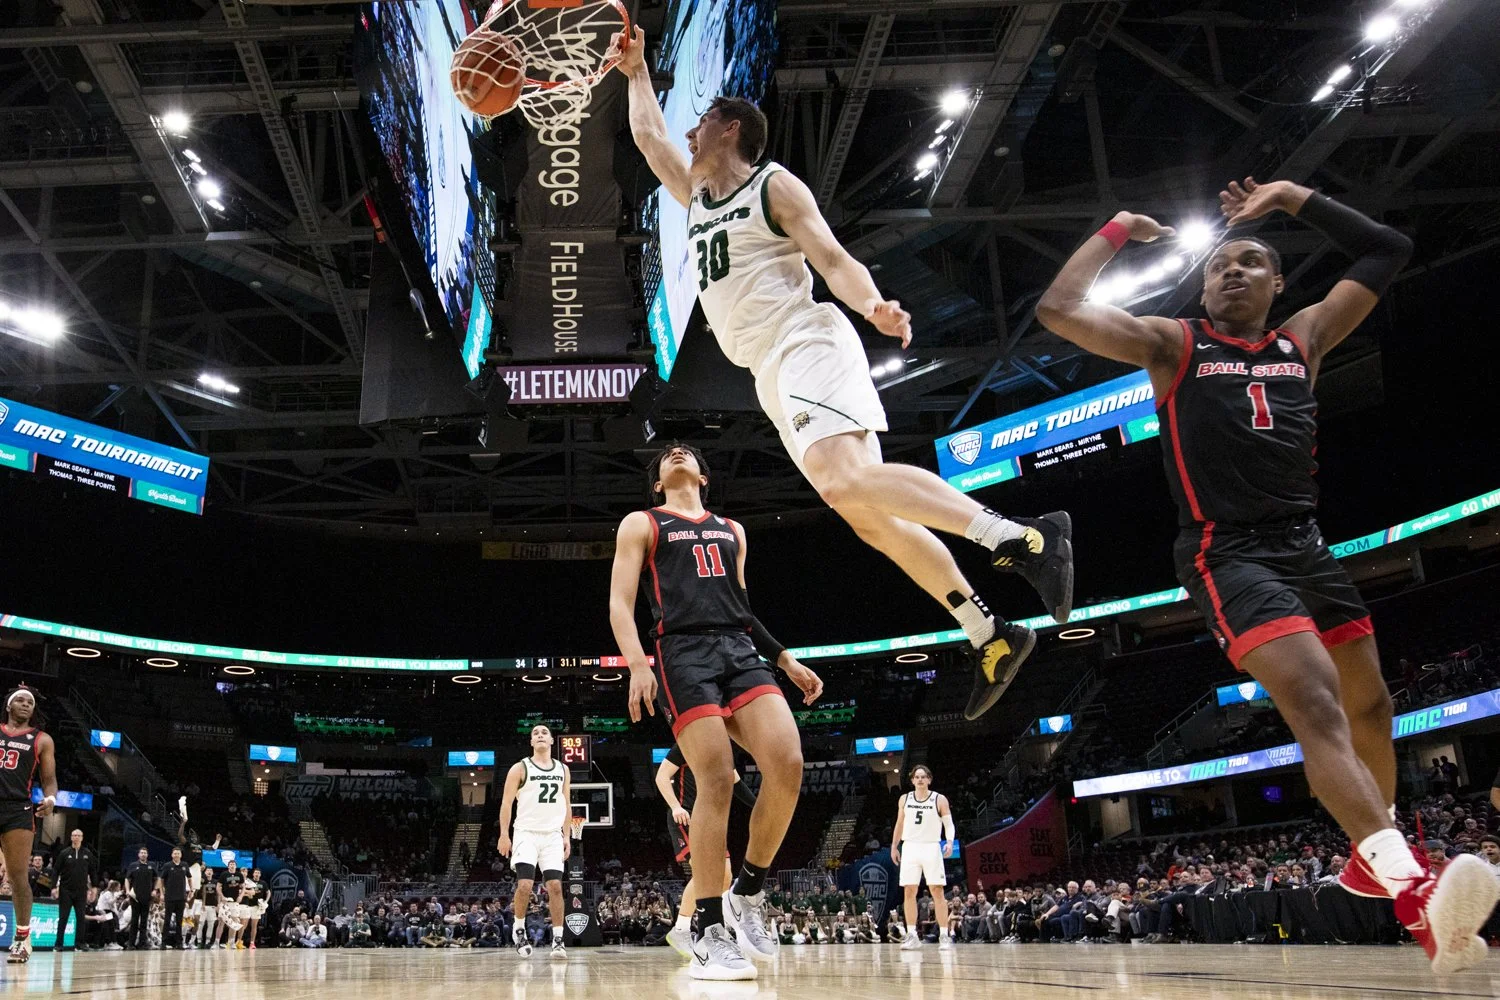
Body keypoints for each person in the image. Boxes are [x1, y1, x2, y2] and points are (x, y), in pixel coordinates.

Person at [1034, 176, 1498, 974]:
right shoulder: (1175, 344)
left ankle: (1369, 859)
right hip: (1226, 551)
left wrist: (1288, 196)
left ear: (1278, 283)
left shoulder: (1303, 339)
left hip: (1307, 545)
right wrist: (1115, 230)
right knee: (1314, 699)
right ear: (1203, 287)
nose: (1233, 272)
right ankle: (1411, 890)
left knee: (1372, 705)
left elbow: (1389, 248)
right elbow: (1058, 309)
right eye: (1220, 265)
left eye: (1251, 262)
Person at [613, 29, 1075, 724]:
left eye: (701, 120)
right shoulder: (697, 195)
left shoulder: (772, 185)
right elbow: (650, 139)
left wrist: (872, 305)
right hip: (770, 370)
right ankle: (990, 634)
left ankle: (1022, 537)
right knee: (867, 516)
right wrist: (636, 71)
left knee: (843, 481)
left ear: (731, 129)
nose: (688, 130)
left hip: (805, 340)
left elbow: (830, 257)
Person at [610, 443, 824, 980]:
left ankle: (746, 891)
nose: (676, 452)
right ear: (657, 483)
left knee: (788, 764)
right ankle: (707, 929)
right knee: (716, 778)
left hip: (739, 648)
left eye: (686, 452)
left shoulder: (732, 530)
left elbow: (744, 613)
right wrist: (636, 664)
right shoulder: (642, 522)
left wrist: (786, 659)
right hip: (681, 652)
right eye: (666, 455)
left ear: (704, 476)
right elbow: (619, 602)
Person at [655, 741, 758, 957]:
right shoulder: (686, 743)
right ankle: (681, 929)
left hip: (711, 819)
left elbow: (737, 784)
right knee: (705, 872)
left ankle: (715, 931)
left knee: (725, 875)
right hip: (686, 816)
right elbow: (661, 776)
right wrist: (675, 806)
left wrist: (760, 806)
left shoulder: (724, 751)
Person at [497, 725, 572, 959]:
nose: (540, 735)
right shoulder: (519, 768)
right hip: (526, 833)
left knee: (556, 886)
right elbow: (506, 803)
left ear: (552, 740)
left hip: (552, 835)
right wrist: (504, 834)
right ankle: (519, 929)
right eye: (535, 733)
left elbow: (566, 804)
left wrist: (566, 836)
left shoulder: (563, 769)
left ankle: (558, 940)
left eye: (544, 732)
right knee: (525, 885)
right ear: (531, 742)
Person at [0, 688, 58, 963]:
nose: (26, 704)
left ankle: (22, 939)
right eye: (20, 700)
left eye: (30, 702)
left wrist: (50, 799)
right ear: (8, 706)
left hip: (18, 810)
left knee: (17, 876)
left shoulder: (41, 739)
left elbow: (49, 779)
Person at [891, 765, 955, 951]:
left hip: (931, 846)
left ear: (929, 779)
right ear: (912, 780)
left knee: (937, 891)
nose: (920, 779)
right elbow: (899, 824)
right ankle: (912, 935)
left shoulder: (939, 799)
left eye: (923, 777)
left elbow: (949, 824)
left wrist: (949, 842)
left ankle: (944, 935)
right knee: (909, 891)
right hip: (910, 846)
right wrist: (894, 846)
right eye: (917, 777)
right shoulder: (905, 799)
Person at [160, 847, 192, 948]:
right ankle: (164, 942)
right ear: (172, 855)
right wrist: (162, 893)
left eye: (178, 853)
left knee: (179, 921)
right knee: (167, 920)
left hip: (181, 897)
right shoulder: (167, 865)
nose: (176, 855)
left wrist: (191, 889)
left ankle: (179, 943)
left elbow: (189, 877)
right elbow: (161, 879)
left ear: (181, 855)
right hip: (169, 897)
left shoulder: (185, 865)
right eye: (175, 853)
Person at [125, 846, 156, 950]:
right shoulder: (133, 865)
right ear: (138, 855)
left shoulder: (151, 865)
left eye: (145, 853)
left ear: (147, 855)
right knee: (134, 921)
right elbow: (127, 879)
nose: (143, 854)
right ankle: (131, 944)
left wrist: (155, 890)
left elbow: (157, 878)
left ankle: (142, 943)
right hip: (135, 896)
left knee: (144, 921)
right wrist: (127, 890)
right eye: (141, 853)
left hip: (147, 897)